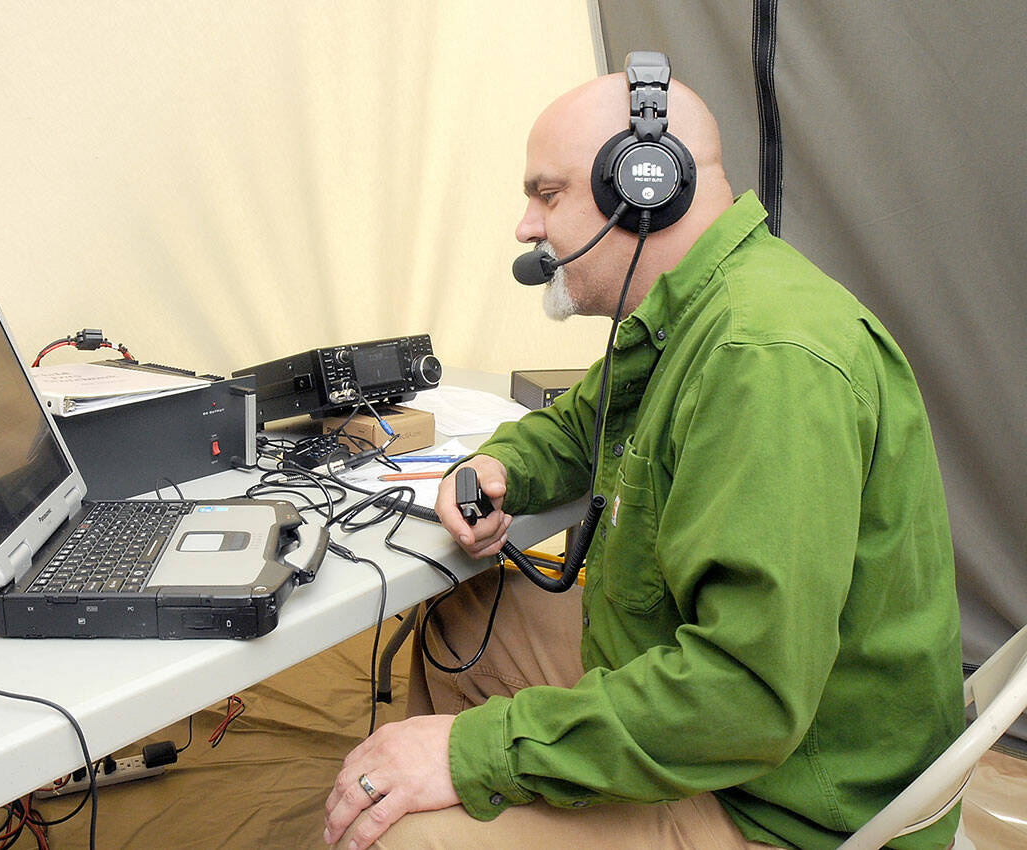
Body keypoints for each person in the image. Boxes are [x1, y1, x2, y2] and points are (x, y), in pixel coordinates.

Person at [322, 61, 964, 850]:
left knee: (406, 838)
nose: (526, 226)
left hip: (783, 804)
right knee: (467, 618)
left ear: (645, 187)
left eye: (547, 195)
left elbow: (746, 697)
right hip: (734, 725)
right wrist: (498, 469)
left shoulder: (762, 359)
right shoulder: (692, 309)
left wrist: (473, 752)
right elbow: (576, 426)